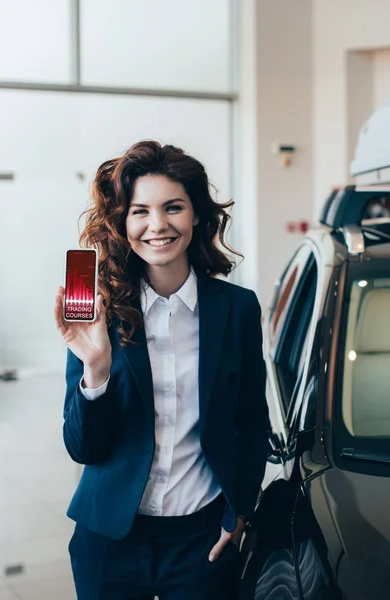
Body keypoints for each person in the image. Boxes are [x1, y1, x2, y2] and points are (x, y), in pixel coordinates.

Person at [54, 140, 269, 600]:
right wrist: (96, 367)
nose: (158, 225)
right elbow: (82, 447)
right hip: (109, 539)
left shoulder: (236, 309)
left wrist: (240, 512)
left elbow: (252, 421)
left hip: (201, 540)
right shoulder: (100, 313)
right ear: (122, 223)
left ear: (196, 216)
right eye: (140, 211)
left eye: (173, 207)